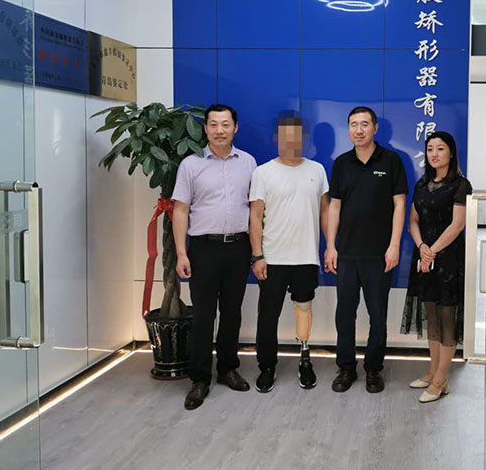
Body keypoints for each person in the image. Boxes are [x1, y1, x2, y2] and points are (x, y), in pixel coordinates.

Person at [172, 104, 257, 410]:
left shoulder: (248, 163)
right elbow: (180, 210)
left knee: (232, 312)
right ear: (205, 128)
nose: (220, 130)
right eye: (213, 124)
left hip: (238, 247)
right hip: (203, 248)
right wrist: (181, 253)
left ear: (235, 127)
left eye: (225, 124)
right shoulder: (190, 164)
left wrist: (256, 251)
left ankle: (227, 369)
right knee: (203, 316)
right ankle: (199, 378)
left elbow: (256, 210)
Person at [325, 106, 407, 393]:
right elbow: (334, 207)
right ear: (348, 129)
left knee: (378, 315)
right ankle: (346, 367)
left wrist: (394, 245)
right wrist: (330, 246)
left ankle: (373, 368)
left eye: (364, 124)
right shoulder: (341, 163)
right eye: (353, 125)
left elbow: (400, 204)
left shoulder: (392, 160)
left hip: (379, 254)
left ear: (375, 128)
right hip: (346, 253)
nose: (358, 130)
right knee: (345, 314)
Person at [249, 111, 329, 392]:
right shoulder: (263, 172)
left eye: (297, 134)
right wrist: (257, 255)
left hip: (306, 257)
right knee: (268, 315)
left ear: (305, 137)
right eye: (285, 134)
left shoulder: (317, 170)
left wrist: (330, 246)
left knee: (304, 310)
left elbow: (325, 211)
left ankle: (305, 360)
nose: (292, 140)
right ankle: (267, 366)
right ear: (276, 138)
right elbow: (255, 216)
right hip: (273, 258)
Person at [401, 131, 472, 403]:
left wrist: (432, 251)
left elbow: (458, 224)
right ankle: (432, 371)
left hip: (448, 258)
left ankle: (441, 380)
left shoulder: (460, 185)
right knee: (431, 315)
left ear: (451, 153)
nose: (434, 154)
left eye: (440, 149)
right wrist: (422, 247)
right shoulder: (422, 184)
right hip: (424, 257)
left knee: (447, 318)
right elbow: (413, 220)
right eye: (430, 149)